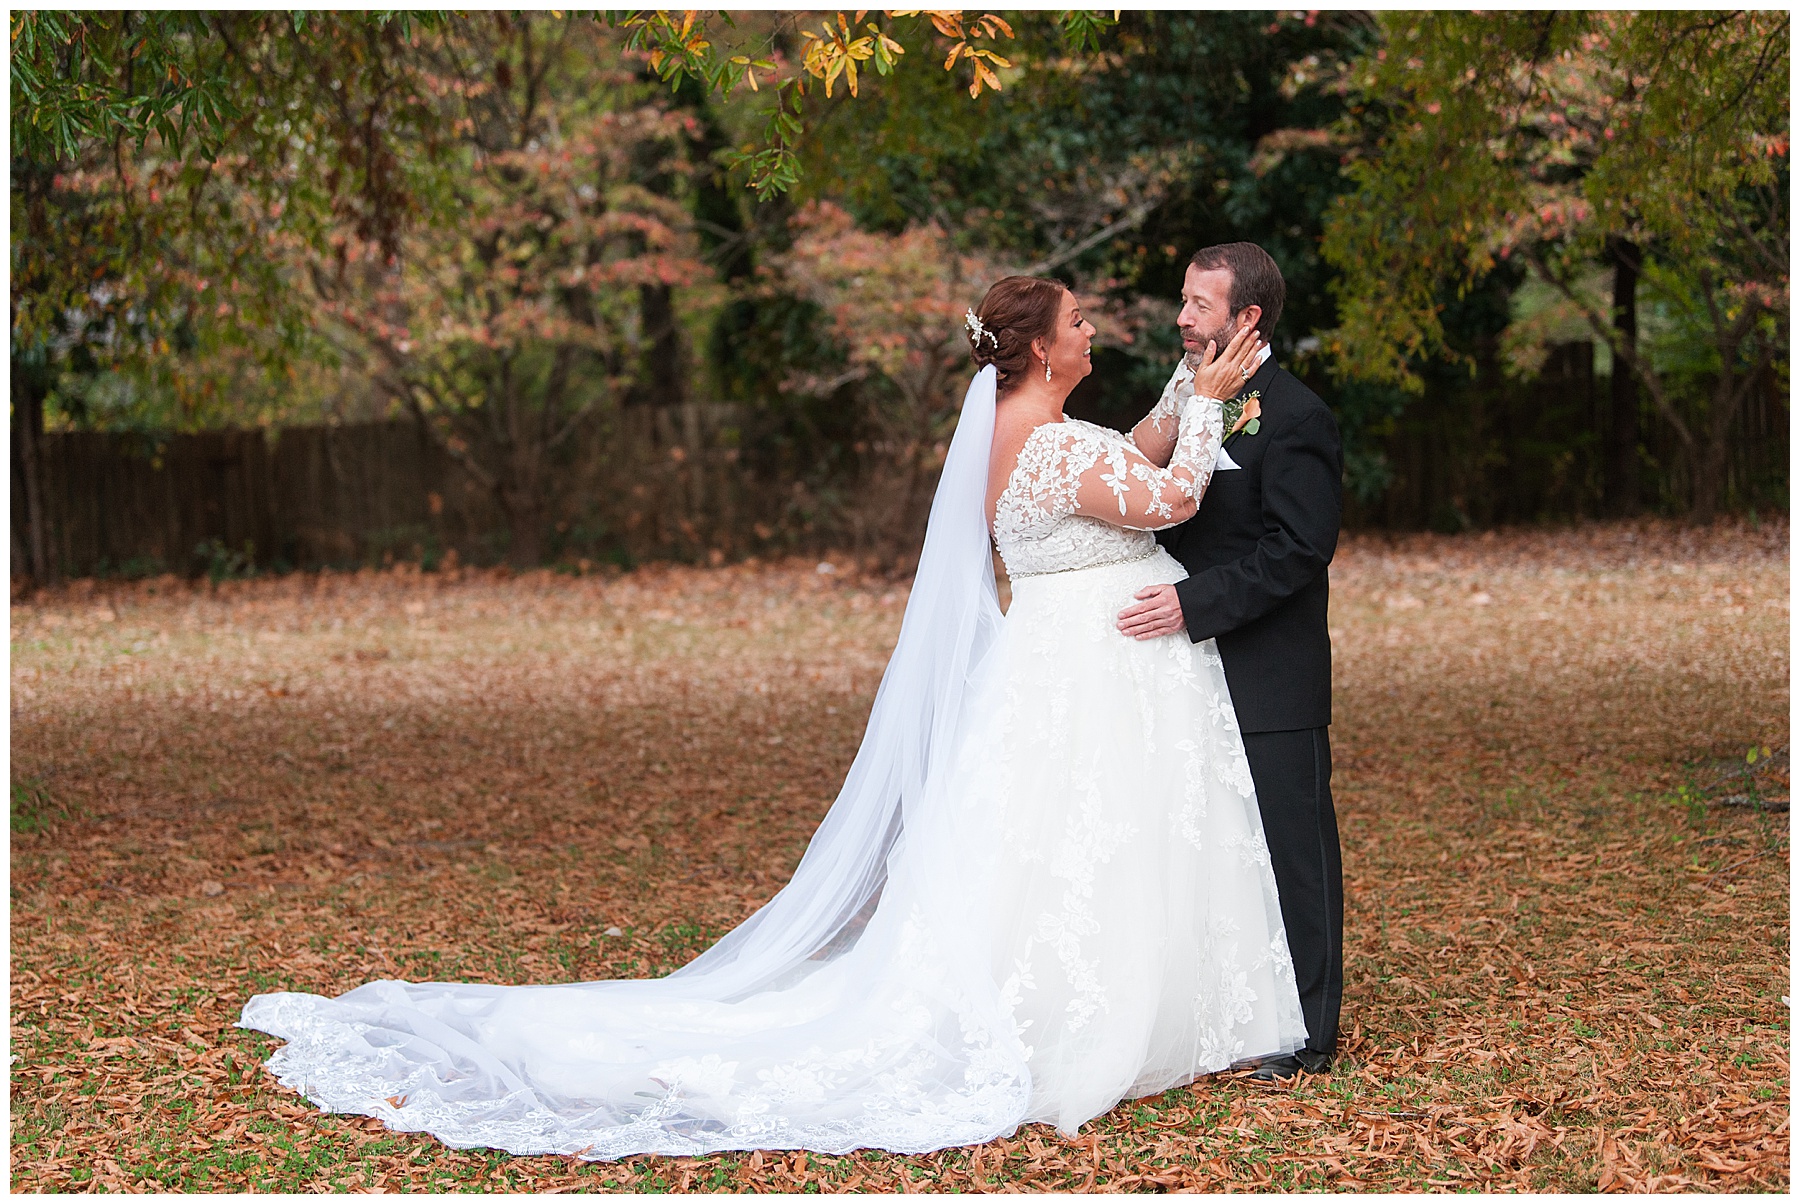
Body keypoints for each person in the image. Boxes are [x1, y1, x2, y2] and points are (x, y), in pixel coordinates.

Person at [239, 276, 1308, 1160]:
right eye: (1077, 322)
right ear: (1037, 350)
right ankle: (1080, 1018)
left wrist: (1188, 385)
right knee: (1085, 842)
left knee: (1051, 845)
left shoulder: (1031, 434)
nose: (1093, 330)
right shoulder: (1055, 444)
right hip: (1091, 660)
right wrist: (1209, 403)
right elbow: (1167, 496)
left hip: (1060, 660)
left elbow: (1130, 448)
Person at [1116, 243, 1344, 1083]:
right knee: (1216, 847)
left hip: (1268, 672)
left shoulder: (1297, 416)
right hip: (1184, 675)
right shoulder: (1185, 400)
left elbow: (1299, 550)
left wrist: (1192, 605)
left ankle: (1309, 1034)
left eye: (1200, 305)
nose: (1182, 317)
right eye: (1183, 301)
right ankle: (1230, 1011)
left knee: (1293, 848)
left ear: (1247, 318)